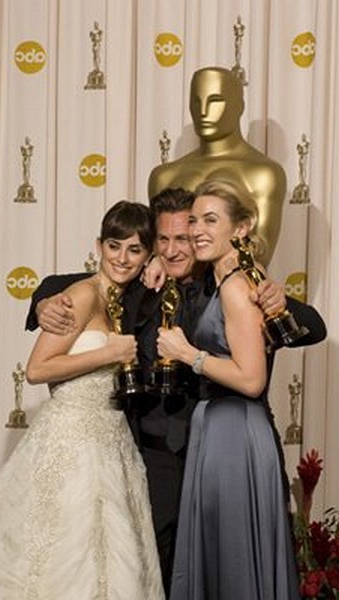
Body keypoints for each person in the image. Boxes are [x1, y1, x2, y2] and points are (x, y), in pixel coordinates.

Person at [25, 189, 326, 595]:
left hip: (215, 451)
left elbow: (315, 326)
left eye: (182, 238)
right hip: (147, 457)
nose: (171, 250)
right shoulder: (139, 285)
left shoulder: (223, 286)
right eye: (161, 241)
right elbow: (65, 284)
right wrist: (42, 302)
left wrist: (278, 299)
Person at [0, 201, 164, 600]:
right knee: (59, 552)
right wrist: (108, 353)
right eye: (114, 246)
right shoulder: (80, 294)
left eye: (134, 249)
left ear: (148, 255)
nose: (123, 259)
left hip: (111, 443)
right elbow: (38, 369)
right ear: (99, 245)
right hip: (70, 441)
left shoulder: (128, 298)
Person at [157, 180, 302, 600]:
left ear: (240, 229)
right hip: (219, 428)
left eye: (211, 220)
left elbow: (252, 379)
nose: (198, 229)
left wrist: (188, 354)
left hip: (235, 431)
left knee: (234, 556)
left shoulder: (238, 288)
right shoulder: (223, 283)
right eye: (194, 220)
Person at [148, 66, 287, 266]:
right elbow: (157, 247)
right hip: (172, 292)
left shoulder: (263, 174)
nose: (203, 112)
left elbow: (260, 253)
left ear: (239, 106)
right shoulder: (164, 176)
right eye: (196, 102)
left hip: (232, 289)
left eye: (215, 101)